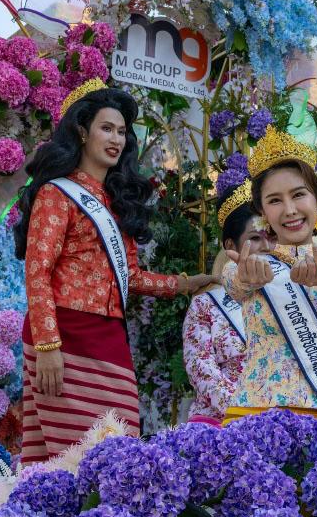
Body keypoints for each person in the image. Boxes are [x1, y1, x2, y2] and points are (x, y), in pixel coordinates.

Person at [14, 80, 214, 462]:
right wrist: (48, 346)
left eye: (122, 132)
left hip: (109, 335)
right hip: (63, 334)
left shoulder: (116, 201)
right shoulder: (57, 193)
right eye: (107, 128)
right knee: (73, 457)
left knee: (116, 441)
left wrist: (186, 284)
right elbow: (38, 273)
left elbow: (132, 277)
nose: (117, 139)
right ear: (81, 131)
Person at [222, 126, 317, 423]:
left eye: (298, 195)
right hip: (256, 414)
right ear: (263, 211)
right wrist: (249, 275)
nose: (289, 210)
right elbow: (234, 282)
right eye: (275, 200)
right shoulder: (249, 265)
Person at [182, 180, 274, 424]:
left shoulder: (289, 296)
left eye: (272, 236)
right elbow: (201, 369)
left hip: (278, 423)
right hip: (221, 424)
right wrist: (246, 415)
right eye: (255, 238)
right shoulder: (206, 305)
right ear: (230, 246)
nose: (267, 246)